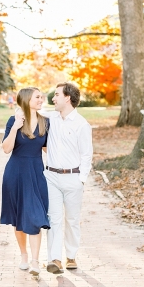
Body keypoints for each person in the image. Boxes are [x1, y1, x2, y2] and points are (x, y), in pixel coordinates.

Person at [40, 82, 93, 274]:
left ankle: (71, 255)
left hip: (73, 178)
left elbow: (87, 154)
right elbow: (31, 113)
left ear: (67, 98)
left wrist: (81, 179)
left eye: (56, 95)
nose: (53, 98)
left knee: (71, 219)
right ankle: (54, 258)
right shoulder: (50, 118)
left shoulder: (81, 125)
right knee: (53, 219)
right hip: (51, 177)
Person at [0, 87, 50, 276]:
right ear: (27, 99)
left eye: (41, 97)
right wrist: (15, 128)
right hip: (15, 173)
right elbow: (6, 149)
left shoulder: (45, 122)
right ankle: (24, 255)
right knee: (19, 218)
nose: (41, 99)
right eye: (37, 97)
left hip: (36, 173)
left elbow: (47, 149)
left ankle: (36, 262)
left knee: (36, 216)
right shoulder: (14, 121)